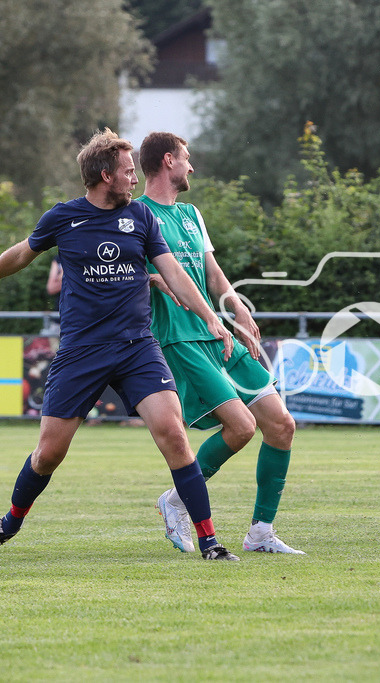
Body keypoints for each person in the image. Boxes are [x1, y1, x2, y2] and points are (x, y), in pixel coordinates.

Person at [0, 128, 240, 561]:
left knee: (174, 436)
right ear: (105, 175)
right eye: (128, 173)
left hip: (136, 348)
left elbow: (176, 276)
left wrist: (211, 317)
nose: (134, 179)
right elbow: (20, 253)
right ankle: (8, 524)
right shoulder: (64, 217)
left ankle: (209, 541)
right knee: (48, 454)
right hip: (82, 351)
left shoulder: (142, 219)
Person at [137, 131, 303, 555]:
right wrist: (151, 278)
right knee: (242, 427)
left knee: (281, 425)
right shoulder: (136, 215)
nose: (192, 167)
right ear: (169, 161)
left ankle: (261, 532)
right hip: (179, 338)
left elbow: (213, 274)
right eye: (187, 159)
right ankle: (176, 501)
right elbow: (121, 274)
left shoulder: (192, 214)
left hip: (218, 335)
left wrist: (238, 309)